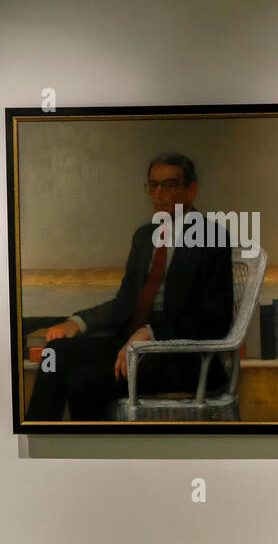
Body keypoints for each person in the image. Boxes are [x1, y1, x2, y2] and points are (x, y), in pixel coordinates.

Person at [25, 152, 234, 422]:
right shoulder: (145, 237)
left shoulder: (212, 238)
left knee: (82, 382)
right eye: (153, 185)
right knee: (55, 352)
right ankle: (39, 437)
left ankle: (91, 456)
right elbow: (125, 303)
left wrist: (150, 333)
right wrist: (78, 322)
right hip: (130, 344)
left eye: (169, 185)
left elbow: (214, 321)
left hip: (180, 357)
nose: (159, 194)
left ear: (191, 190)